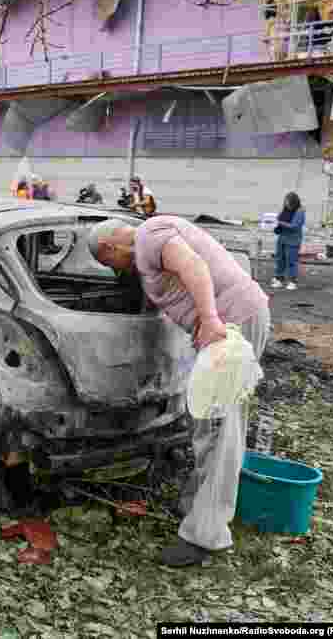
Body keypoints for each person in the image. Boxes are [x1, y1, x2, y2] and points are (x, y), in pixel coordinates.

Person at [87, 216, 270, 567]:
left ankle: (205, 537)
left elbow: (194, 266)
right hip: (232, 321)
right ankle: (197, 506)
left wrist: (210, 318)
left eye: (109, 264)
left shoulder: (149, 237)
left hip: (229, 325)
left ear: (110, 247)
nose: (117, 271)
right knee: (210, 421)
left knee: (216, 427)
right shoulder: (150, 242)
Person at [272, 192, 305, 291]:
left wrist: (280, 222)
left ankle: (292, 281)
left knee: (291, 261)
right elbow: (279, 219)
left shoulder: (300, 212)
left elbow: (295, 226)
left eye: (288, 202)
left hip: (293, 240)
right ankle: (279, 278)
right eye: (285, 202)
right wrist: (274, 222)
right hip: (282, 239)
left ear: (294, 202)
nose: (286, 204)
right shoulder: (285, 210)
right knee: (280, 259)